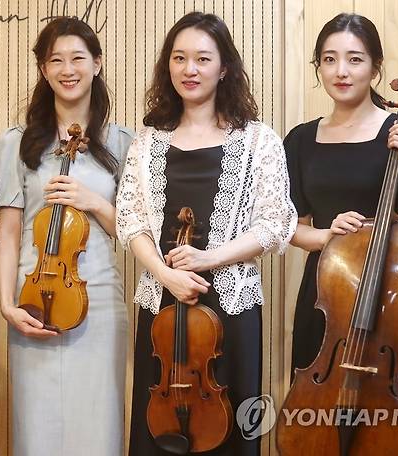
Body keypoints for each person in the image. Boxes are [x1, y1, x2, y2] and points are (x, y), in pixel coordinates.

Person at [116, 12, 297, 456]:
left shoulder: (259, 141)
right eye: (179, 58)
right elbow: (131, 220)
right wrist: (165, 274)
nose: (189, 69)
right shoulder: (147, 142)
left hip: (231, 308)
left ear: (224, 67)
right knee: (159, 429)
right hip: (162, 309)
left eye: (202, 58)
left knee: (229, 430)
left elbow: (274, 223)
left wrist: (207, 259)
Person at [0, 17, 134, 456]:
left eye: (78, 58)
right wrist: (7, 303)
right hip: (33, 298)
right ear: (43, 69)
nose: (67, 69)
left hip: (99, 296)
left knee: (99, 426)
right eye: (56, 60)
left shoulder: (124, 143)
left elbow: (135, 233)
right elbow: (8, 231)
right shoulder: (15, 144)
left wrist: (94, 202)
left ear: (97, 63)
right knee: (38, 429)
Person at [285, 13, 398, 381]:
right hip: (323, 295)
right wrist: (327, 236)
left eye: (354, 59)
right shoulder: (300, 140)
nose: (341, 71)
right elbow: (292, 228)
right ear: (319, 66)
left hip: (386, 293)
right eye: (329, 59)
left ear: (375, 68)